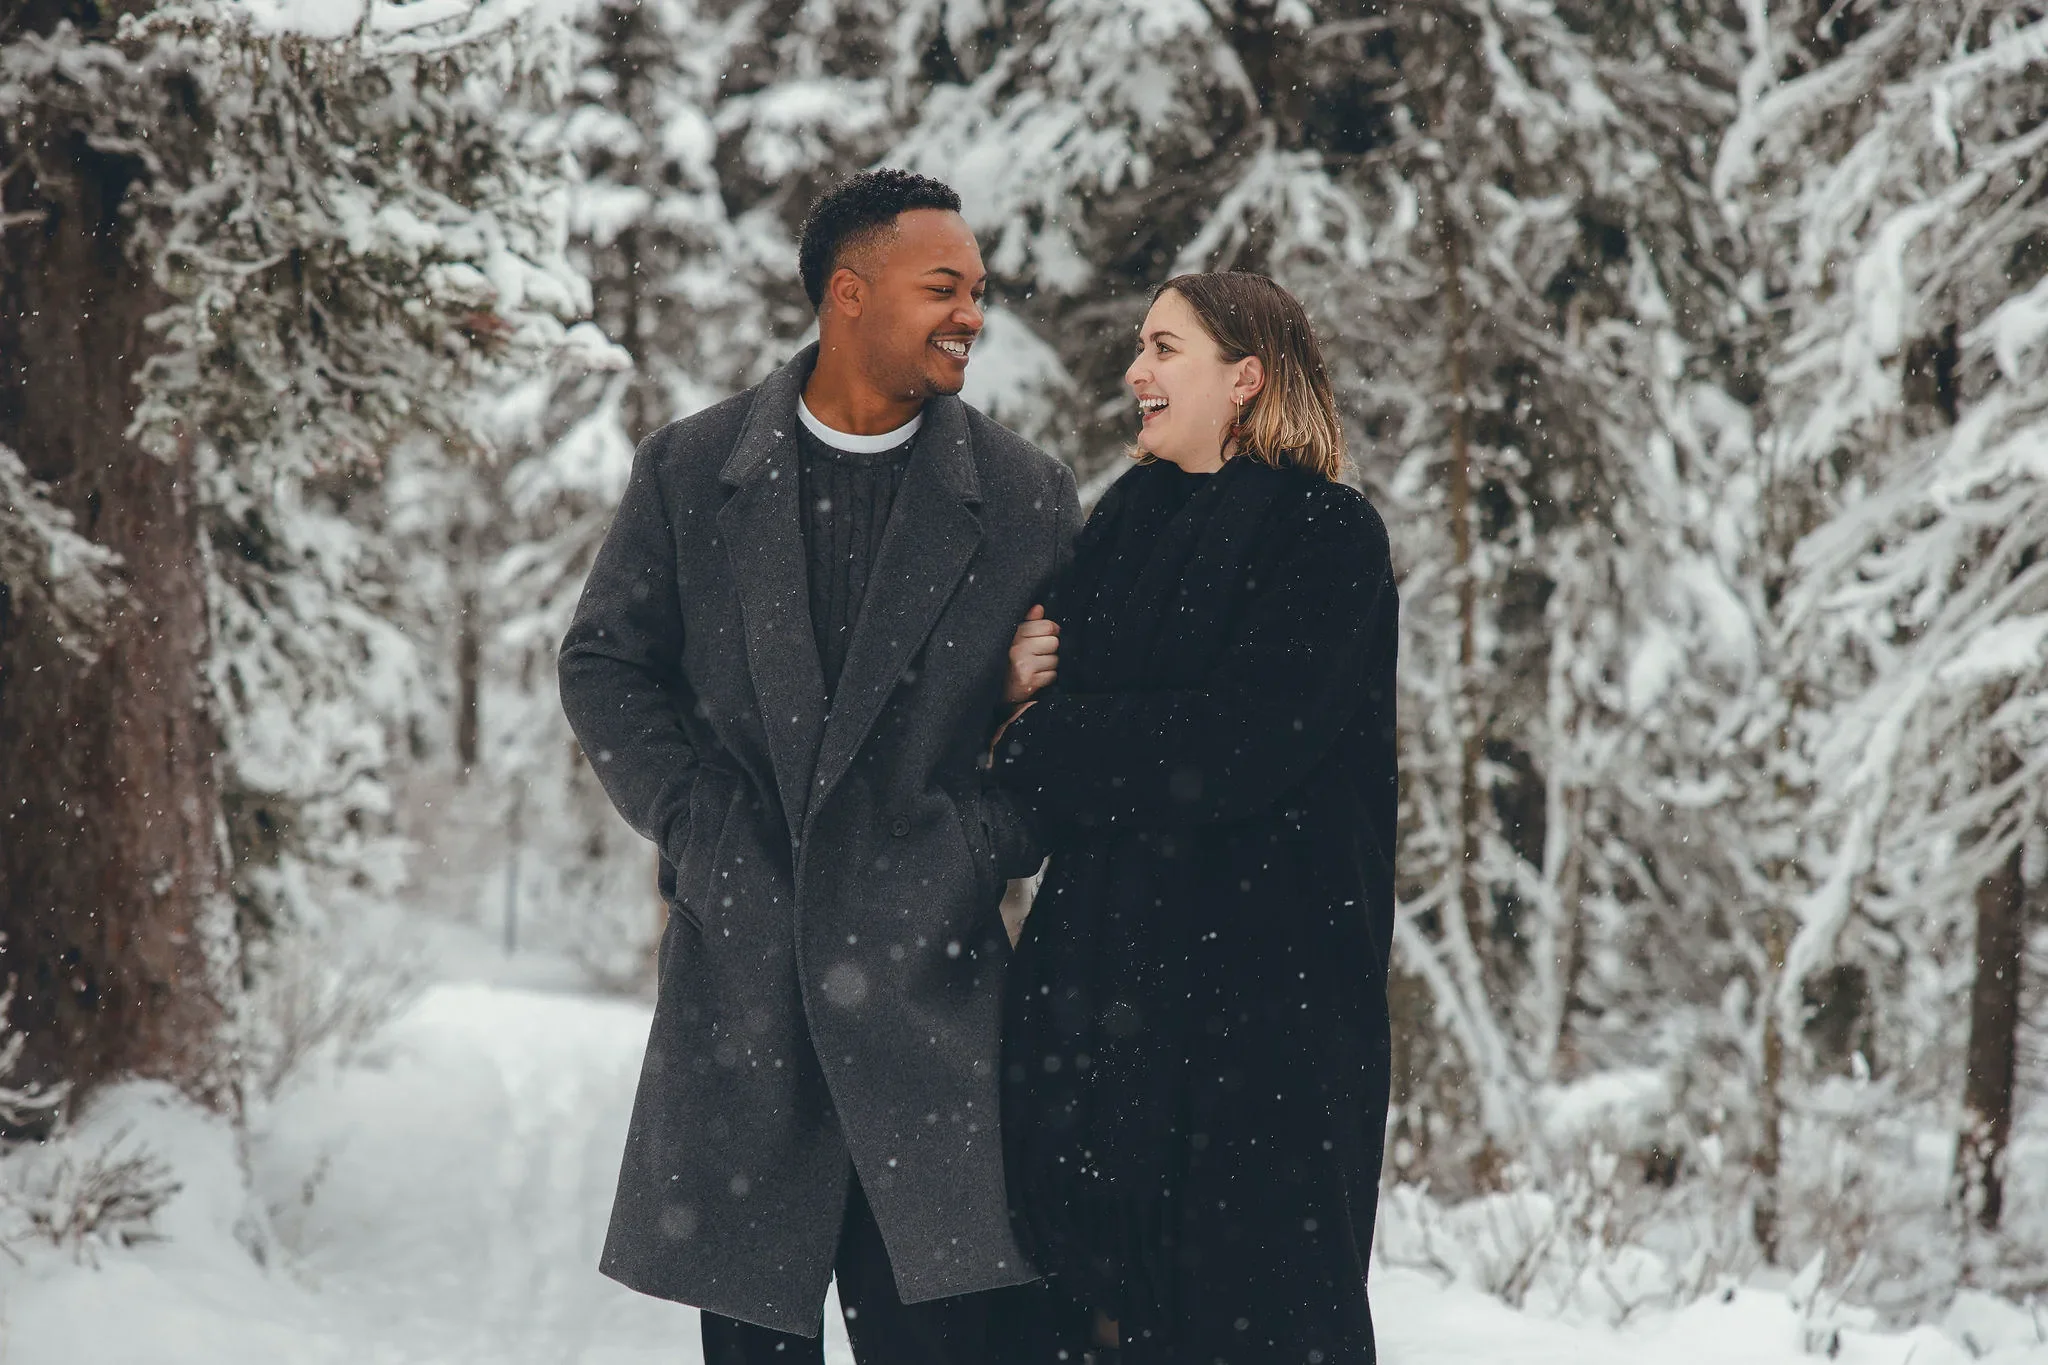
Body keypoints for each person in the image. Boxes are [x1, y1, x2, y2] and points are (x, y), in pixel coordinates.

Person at [558, 168, 1081, 1364]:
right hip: (746, 1000)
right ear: (847, 295)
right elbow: (601, 664)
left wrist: (975, 840)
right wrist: (696, 828)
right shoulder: (691, 473)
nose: (971, 314)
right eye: (941, 286)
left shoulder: (1020, 495)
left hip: (931, 1009)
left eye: (978, 290)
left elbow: (1077, 726)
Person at [991, 272, 1399, 1364]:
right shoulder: (1123, 522)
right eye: (1139, 346)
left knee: (1252, 1320)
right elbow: (1050, 751)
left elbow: (1235, 749)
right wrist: (1025, 704)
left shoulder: (1327, 536)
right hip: (1094, 1016)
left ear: (1246, 377)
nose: (1136, 372)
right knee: (1089, 1319)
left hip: (1263, 1026)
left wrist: (1055, 727)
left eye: (1164, 348)